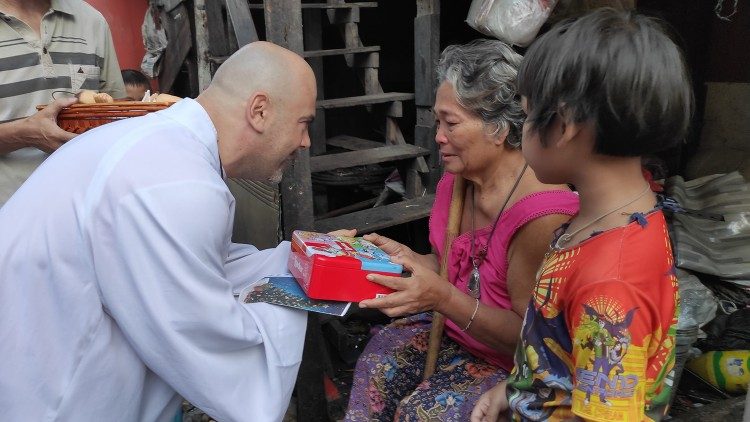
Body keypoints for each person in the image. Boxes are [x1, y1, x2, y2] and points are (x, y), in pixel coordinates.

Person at [0, 41, 316, 421]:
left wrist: (309, 256)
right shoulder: (177, 182)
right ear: (260, 111)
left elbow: (206, 261)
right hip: (58, 398)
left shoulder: (162, 146)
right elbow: (214, 347)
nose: (305, 142)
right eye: (304, 124)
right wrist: (304, 291)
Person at [471, 8, 692, 422]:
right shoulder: (624, 218)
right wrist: (516, 389)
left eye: (526, 112)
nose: (521, 131)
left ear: (565, 123)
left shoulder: (610, 284)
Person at [343, 39, 579, 421]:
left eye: (450, 123)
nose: (438, 135)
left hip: (515, 366)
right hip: (455, 329)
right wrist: (406, 262)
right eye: (438, 121)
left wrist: (442, 298)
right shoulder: (458, 180)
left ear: (499, 128)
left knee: (423, 412)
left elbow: (533, 339)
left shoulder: (541, 215)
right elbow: (452, 269)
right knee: (379, 361)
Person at [0, 0, 126, 206]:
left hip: (86, 210)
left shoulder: (91, 21)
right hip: (8, 215)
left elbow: (117, 112)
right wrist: (22, 135)